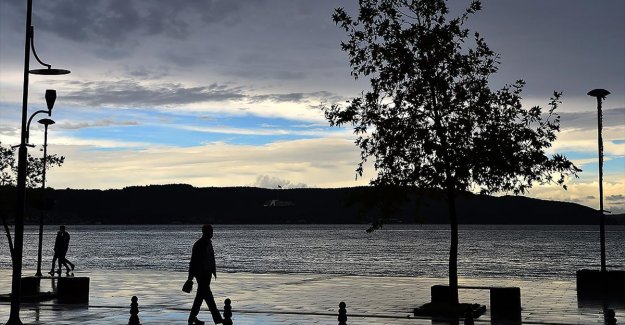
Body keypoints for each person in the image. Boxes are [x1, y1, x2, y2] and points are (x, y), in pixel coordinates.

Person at [187, 224, 224, 325]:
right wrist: (190, 278)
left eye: (212, 231)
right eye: (210, 231)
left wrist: (212, 271)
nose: (212, 233)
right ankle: (217, 318)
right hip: (201, 274)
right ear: (205, 232)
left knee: (201, 296)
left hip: (207, 273)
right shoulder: (199, 244)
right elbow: (193, 262)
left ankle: (192, 318)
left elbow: (210, 258)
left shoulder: (208, 243)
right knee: (207, 296)